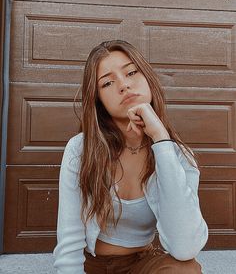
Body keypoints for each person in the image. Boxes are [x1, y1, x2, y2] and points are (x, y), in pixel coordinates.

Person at [53, 40, 208, 274]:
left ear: (147, 77)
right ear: (99, 100)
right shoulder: (81, 149)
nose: (124, 85)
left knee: (186, 269)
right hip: (91, 265)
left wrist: (161, 140)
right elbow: (69, 240)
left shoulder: (177, 156)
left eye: (131, 72)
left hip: (141, 264)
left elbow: (185, 247)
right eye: (107, 83)